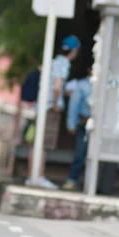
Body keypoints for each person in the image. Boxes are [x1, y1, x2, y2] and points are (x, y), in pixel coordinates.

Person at [25, 35, 81, 189]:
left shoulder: (53, 61)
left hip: (41, 106)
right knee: (43, 144)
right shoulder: (63, 64)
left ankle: (32, 176)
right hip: (50, 108)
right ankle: (39, 176)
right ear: (74, 50)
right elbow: (57, 86)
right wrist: (56, 103)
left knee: (36, 143)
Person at [61, 61, 93, 191]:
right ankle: (72, 179)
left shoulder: (107, 84)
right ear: (89, 69)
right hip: (84, 124)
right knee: (80, 154)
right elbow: (74, 105)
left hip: (102, 127)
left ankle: (92, 184)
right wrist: (71, 124)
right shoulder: (82, 85)